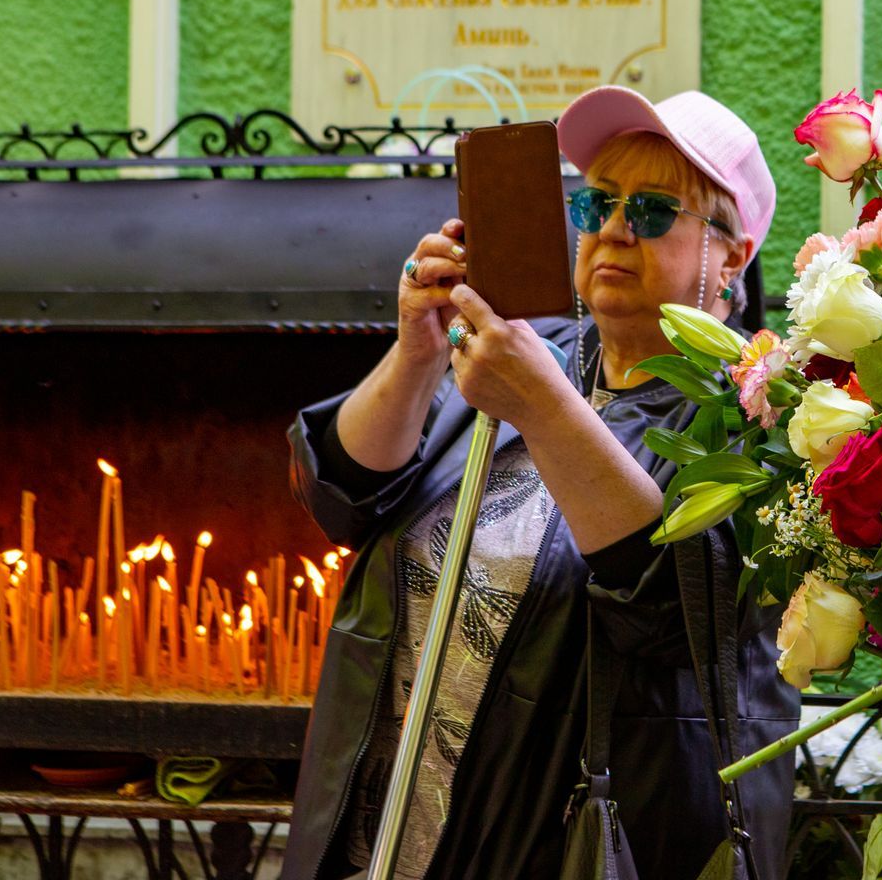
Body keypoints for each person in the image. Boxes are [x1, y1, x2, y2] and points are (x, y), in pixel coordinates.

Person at [281, 88, 798, 880]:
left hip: (568, 839)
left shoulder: (758, 409)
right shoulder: (525, 348)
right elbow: (347, 494)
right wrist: (417, 351)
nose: (616, 227)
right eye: (597, 202)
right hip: (387, 821)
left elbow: (675, 608)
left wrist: (545, 407)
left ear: (733, 252)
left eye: (655, 211)